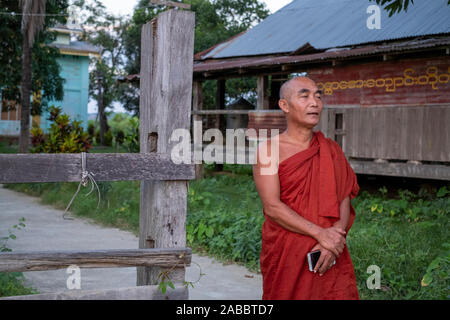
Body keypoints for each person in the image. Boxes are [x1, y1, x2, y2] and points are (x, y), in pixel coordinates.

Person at [253, 76, 360, 300]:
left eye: (318, 96)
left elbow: (344, 197)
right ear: (284, 106)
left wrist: (333, 243)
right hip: (287, 251)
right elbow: (272, 207)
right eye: (305, 96)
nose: (315, 102)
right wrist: (321, 234)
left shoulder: (330, 149)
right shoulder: (268, 151)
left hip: (328, 251)